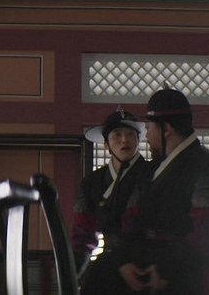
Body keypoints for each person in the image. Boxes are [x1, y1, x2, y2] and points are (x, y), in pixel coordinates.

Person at [115, 88, 209, 295]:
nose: (147, 136)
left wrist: (163, 268)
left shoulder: (208, 169)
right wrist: (124, 260)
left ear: (166, 129)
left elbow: (207, 237)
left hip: (193, 277)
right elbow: (130, 221)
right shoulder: (151, 170)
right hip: (148, 269)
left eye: (149, 128)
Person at [73, 108, 152, 294]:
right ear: (106, 145)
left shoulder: (152, 174)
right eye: (117, 134)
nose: (125, 140)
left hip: (146, 264)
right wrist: (73, 273)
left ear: (138, 140)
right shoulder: (92, 182)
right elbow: (83, 234)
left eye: (130, 134)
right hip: (108, 264)